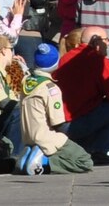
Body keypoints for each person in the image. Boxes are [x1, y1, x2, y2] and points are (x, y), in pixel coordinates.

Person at [17, 40, 96, 173]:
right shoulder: (51, 88)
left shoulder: (26, 81)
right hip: (46, 136)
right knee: (84, 161)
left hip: (28, 137)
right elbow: (58, 123)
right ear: (55, 64)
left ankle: (31, 156)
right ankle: (43, 163)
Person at [52, 31, 109, 162]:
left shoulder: (66, 57)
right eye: (106, 40)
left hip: (60, 122)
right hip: (75, 124)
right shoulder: (99, 60)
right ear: (96, 42)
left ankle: (85, 148)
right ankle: (99, 151)